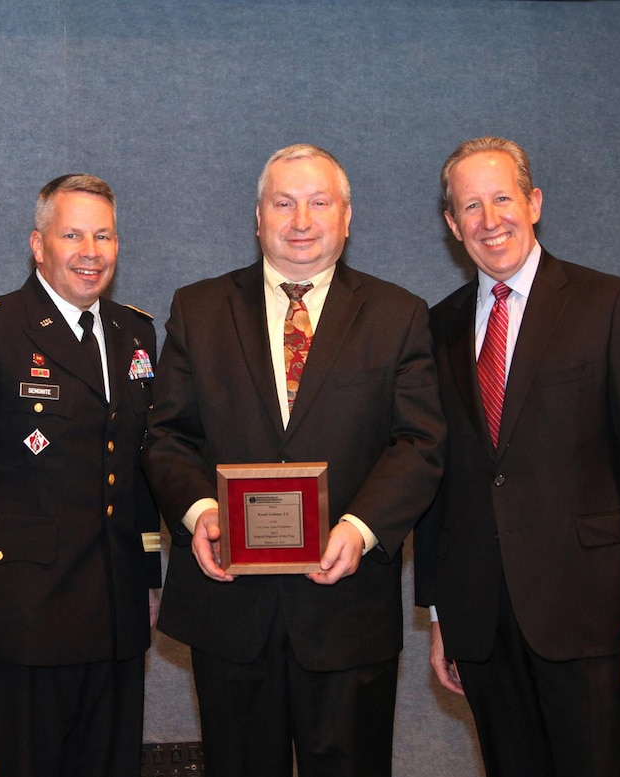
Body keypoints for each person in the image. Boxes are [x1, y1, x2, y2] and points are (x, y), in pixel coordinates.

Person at [142, 144, 445, 777]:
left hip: (347, 608)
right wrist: (200, 513)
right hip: (230, 609)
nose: (300, 219)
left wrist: (360, 530)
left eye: (318, 202)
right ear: (258, 218)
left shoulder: (398, 315)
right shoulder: (198, 309)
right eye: (283, 203)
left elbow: (418, 443)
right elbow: (167, 435)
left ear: (346, 216)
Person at [414, 136, 620, 777]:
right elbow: (440, 479)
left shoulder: (611, 305)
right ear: (453, 225)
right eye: (471, 207)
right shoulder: (437, 328)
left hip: (595, 619)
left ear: (534, 203)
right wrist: (440, 614)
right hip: (482, 621)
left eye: (503, 199)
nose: (491, 220)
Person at [0, 174, 161, 777]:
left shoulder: (137, 333)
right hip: (13, 618)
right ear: (37, 244)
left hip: (114, 616)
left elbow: (138, 469)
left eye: (104, 235)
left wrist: (148, 577)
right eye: (71, 234)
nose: (90, 250)